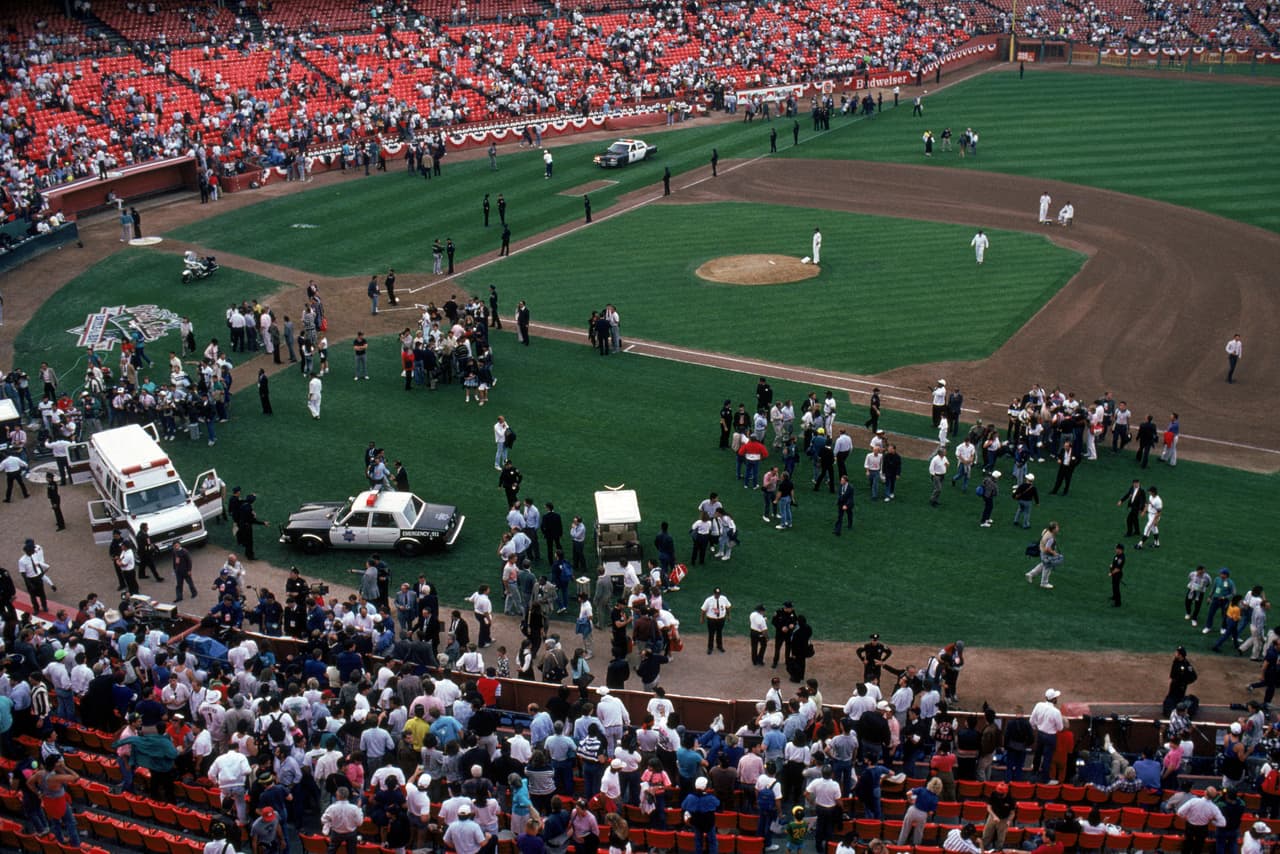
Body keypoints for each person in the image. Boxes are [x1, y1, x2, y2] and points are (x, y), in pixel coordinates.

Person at [1029, 689, 1064, 783]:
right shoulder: (1056, 712)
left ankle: (1034, 774)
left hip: (1040, 734)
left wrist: (1036, 727)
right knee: (1047, 758)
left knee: (1038, 755)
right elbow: (1060, 728)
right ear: (1053, 699)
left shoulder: (1038, 705)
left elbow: (1031, 721)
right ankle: (1045, 778)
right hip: (1050, 736)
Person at [322, 786, 365, 854]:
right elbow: (360, 823)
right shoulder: (354, 808)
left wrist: (331, 822)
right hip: (351, 834)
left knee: (331, 851)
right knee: (351, 852)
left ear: (337, 796)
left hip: (336, 833)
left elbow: (323, 820)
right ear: (348, 795)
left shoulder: (332, 808)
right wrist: (359, 809)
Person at [1025, 522, 1062, 589]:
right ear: (1053, 529)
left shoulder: (1045, 531)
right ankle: (1044, 583)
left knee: (1043, 565)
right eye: (1057, 527)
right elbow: (1047, 548)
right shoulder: (1051, 538)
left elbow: (1042, 538)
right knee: (1047, 567)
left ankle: (1030, 574)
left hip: (1041, 551)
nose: (1058, 528)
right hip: (1046, 554)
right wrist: (1054, 553)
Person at [701, 588, 730, 655]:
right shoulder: (708, 600)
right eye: (716, 594)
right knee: (711, 634)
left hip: (721, 619)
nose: (718, 595)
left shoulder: (724, 598)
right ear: (714, 593)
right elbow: (703, 610)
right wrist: (702, 618)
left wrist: (728, 616)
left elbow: (728, 607)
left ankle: (719, 646)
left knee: (719, 633)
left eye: (719, 594)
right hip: (711, 620)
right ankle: (710, 648)